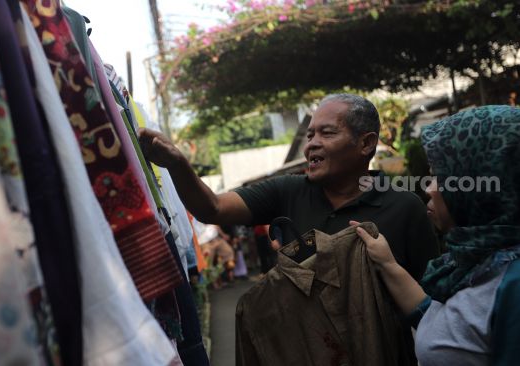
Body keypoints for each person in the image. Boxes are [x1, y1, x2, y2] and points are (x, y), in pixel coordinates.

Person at [139, 93, 439, 280]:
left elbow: (428, 301)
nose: (312, 145)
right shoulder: (287, 191)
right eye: (310, 136)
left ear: (366, 143)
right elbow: (212, 208)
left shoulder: (405, 207)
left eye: (327, 133)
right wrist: (177, 164)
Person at [354, 105, 520, 365]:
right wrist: (387, 264)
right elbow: (445, 326)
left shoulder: (514, 285)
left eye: (439, 177)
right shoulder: (481, 260)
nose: (429, 189)